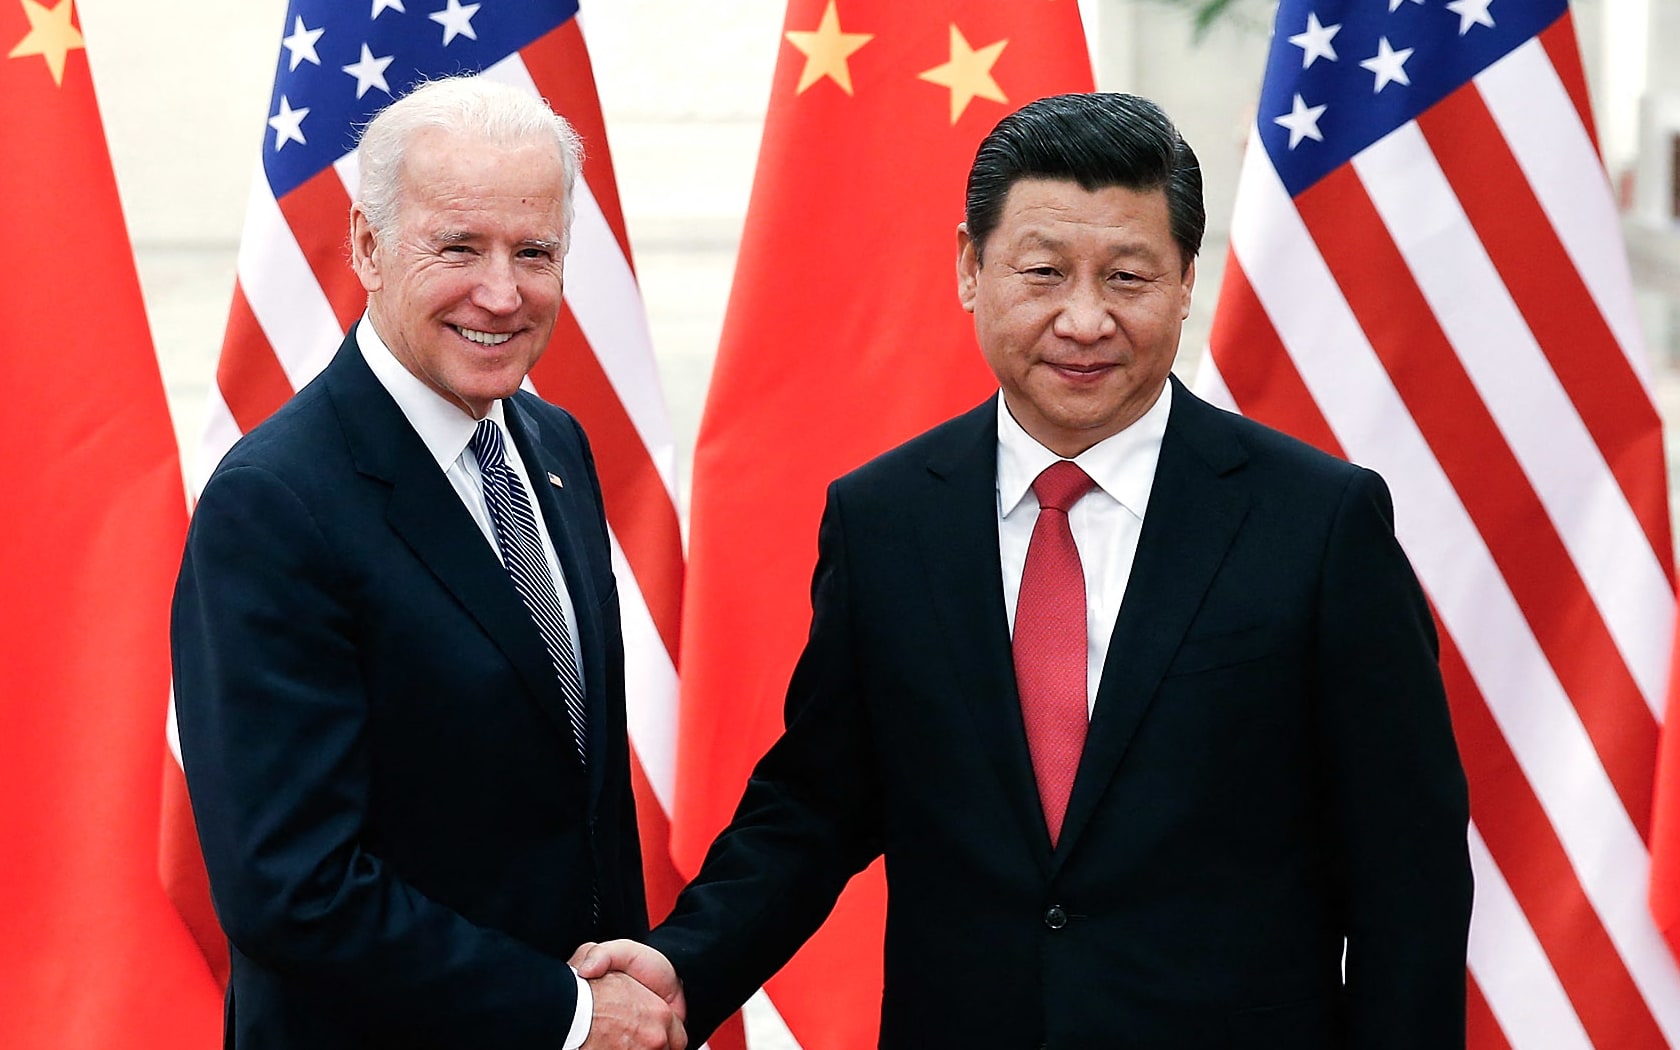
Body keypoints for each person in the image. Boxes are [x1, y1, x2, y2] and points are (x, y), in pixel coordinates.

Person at [577, 92, 1473, 1048]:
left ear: (1183, 285)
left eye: (1128, 276)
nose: (1084, 320)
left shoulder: (1320, 522)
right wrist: (683, 967)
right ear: (970, 267)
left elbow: (1408, 879)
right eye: (1043, 272)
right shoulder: (885, 519)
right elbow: (816, 804)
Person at [171, 77, 683, 1050]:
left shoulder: (554, 445)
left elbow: (573, 790)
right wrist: (569, 1014)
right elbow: (291, 886)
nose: (503, 293)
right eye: (459, 246)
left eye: (535, 252)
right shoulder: (275, 503)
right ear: (367, 244)